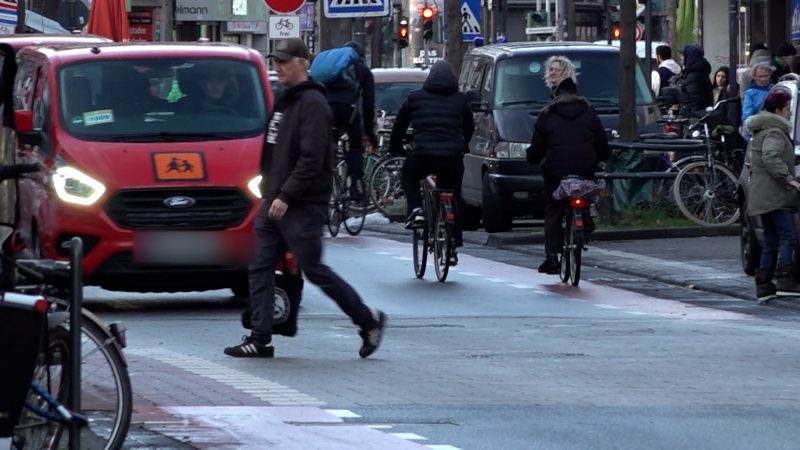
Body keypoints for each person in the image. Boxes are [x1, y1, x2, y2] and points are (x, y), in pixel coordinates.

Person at [224, 38, 386, 358]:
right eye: (275, 62)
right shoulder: (286, 100)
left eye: (284, 62)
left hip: (300, 204)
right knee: (258, 265)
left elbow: (312, 158)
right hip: (275, 199)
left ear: (303, 63)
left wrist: (287, 193)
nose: (278, 68)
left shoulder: (313, 104)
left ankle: (368, 321)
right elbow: (273, 148)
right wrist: (268, 188)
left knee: (314, 269)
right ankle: (259, 337)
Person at [526, 56, 609, 274]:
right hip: (585, 167)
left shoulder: (548, 113)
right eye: (551, 69)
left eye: (556, 70)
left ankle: (552, 256)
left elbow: (537, 148)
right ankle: (586, 219)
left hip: (557, 170)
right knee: (583, 190)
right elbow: (601, 141)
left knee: (553, 207)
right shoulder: (589, 110)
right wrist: (602, 157)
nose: (552, 73)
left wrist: (533, 158)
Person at [390, 60, 474, 265]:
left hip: (423, 155)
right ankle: (454, 243)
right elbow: (469, 127)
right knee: (454, 194)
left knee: (409, 176)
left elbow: (399, 125)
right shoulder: (461, 100)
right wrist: (463, 146)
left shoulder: (415, 97)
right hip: (452, 158)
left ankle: (417, 210)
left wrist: (397, 148)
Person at [745, 89, 800, 301]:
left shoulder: (761, 130)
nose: (789, 113)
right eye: (787, 109)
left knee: (770, 239)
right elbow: (770, 157)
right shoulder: (775, 132)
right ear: (777, 110)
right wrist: (790, 178)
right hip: (774, 195)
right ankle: (785, 278)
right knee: (788, 236)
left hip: (761, 196)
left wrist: (793, 161)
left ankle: (764, 283)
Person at [326, 41, 376, 199]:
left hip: (327, 110)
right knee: (355, 146)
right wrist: (369, 133)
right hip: (349, 112)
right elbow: (368, 104)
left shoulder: (332, 68)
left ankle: (326, 178)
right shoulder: (363, 71)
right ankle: (354, 186)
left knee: (327, 143)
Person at [674, 44, 714, 117]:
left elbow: (696, 102)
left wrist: (693, 121)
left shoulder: (694, 76)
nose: (681, 58)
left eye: (684, 55)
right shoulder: (698, 73)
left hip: (691, 118)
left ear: (690, 56)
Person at [741, 62, 774, 140]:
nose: (763, 79)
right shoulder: (750, 92)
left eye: (766, 76)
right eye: (760, 76)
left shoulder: (774, 89)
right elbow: (747, 113)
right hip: (755, 128)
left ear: (770, 75)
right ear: (755, 77)